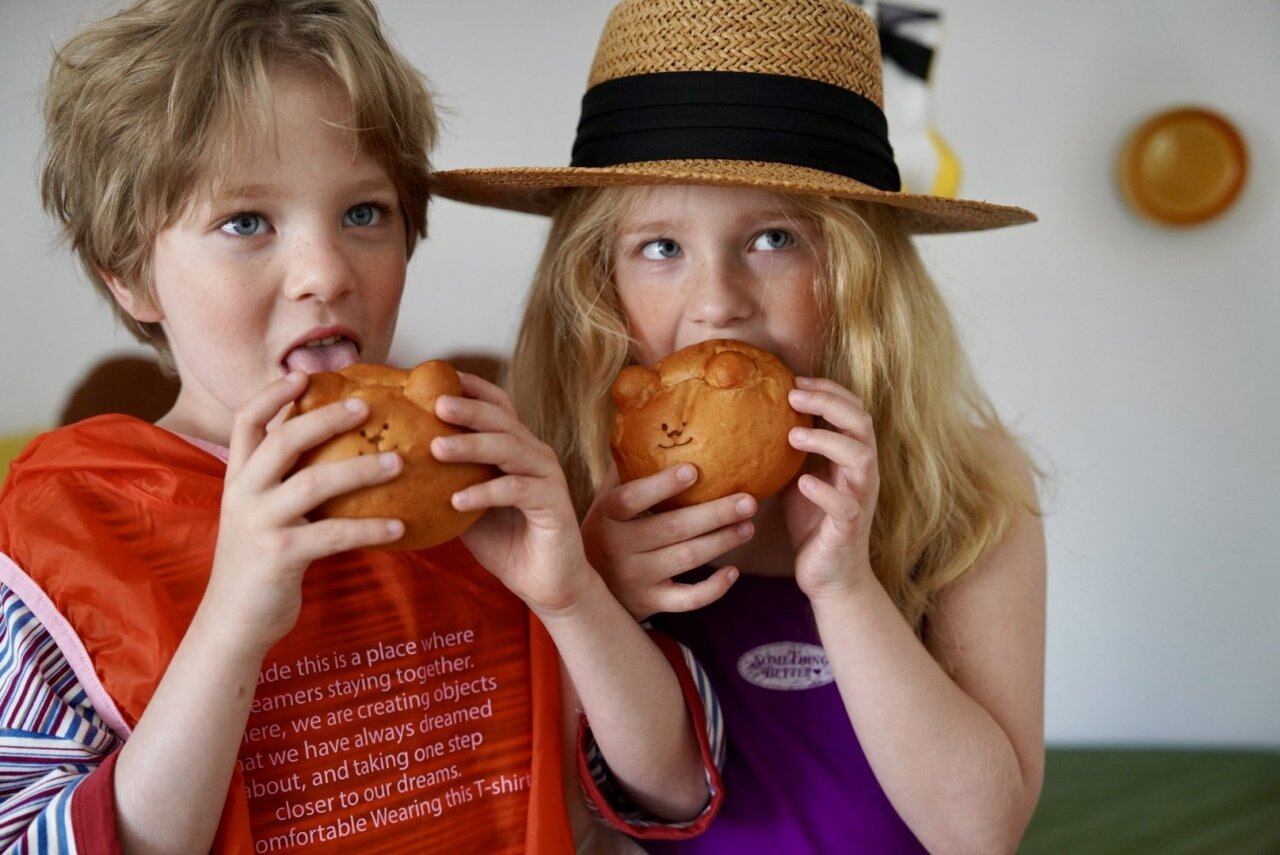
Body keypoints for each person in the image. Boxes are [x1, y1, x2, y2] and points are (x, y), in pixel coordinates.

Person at [0, 1, 724, 851]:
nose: (326, 272)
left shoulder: (491, 480)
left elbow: (674, 794)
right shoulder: (56, 543)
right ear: (128, 276)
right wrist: (232, 624)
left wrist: (572, 595)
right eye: (245, 222)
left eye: (363, 213)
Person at [434, 0, 1047, 850]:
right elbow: (570, 817)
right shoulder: (556, 499)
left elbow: (980, 832)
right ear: (596, 284)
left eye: (773, 238)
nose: (717, 302)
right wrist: (598, 598)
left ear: (860, 271)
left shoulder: (970, 485)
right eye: (661, 247)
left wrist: (846, 588)